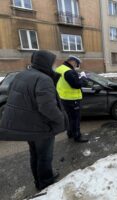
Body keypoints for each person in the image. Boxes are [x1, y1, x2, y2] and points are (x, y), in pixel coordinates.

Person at [0, 50, 67, 190]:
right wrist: (60, 120)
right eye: (52, 63)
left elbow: (15, 96)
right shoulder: (43, 79)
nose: (54, 66)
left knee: (35, 154)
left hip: (29, 126)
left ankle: (38, 181)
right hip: (41, 126)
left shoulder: (22, 74)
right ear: (46, 63)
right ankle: (46, 183)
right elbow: (47, 107)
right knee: (44, 157)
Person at [55, 55, 88, 143]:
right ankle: (77, 136)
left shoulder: (59, 69)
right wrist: (83, 79)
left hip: (63, 98)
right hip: (73, 100)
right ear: (72, 61)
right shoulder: (69, 72)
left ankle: (70, 133)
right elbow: (76, 85)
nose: (76, 67)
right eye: (76, 64)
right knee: (75, 119)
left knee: (69, 118)